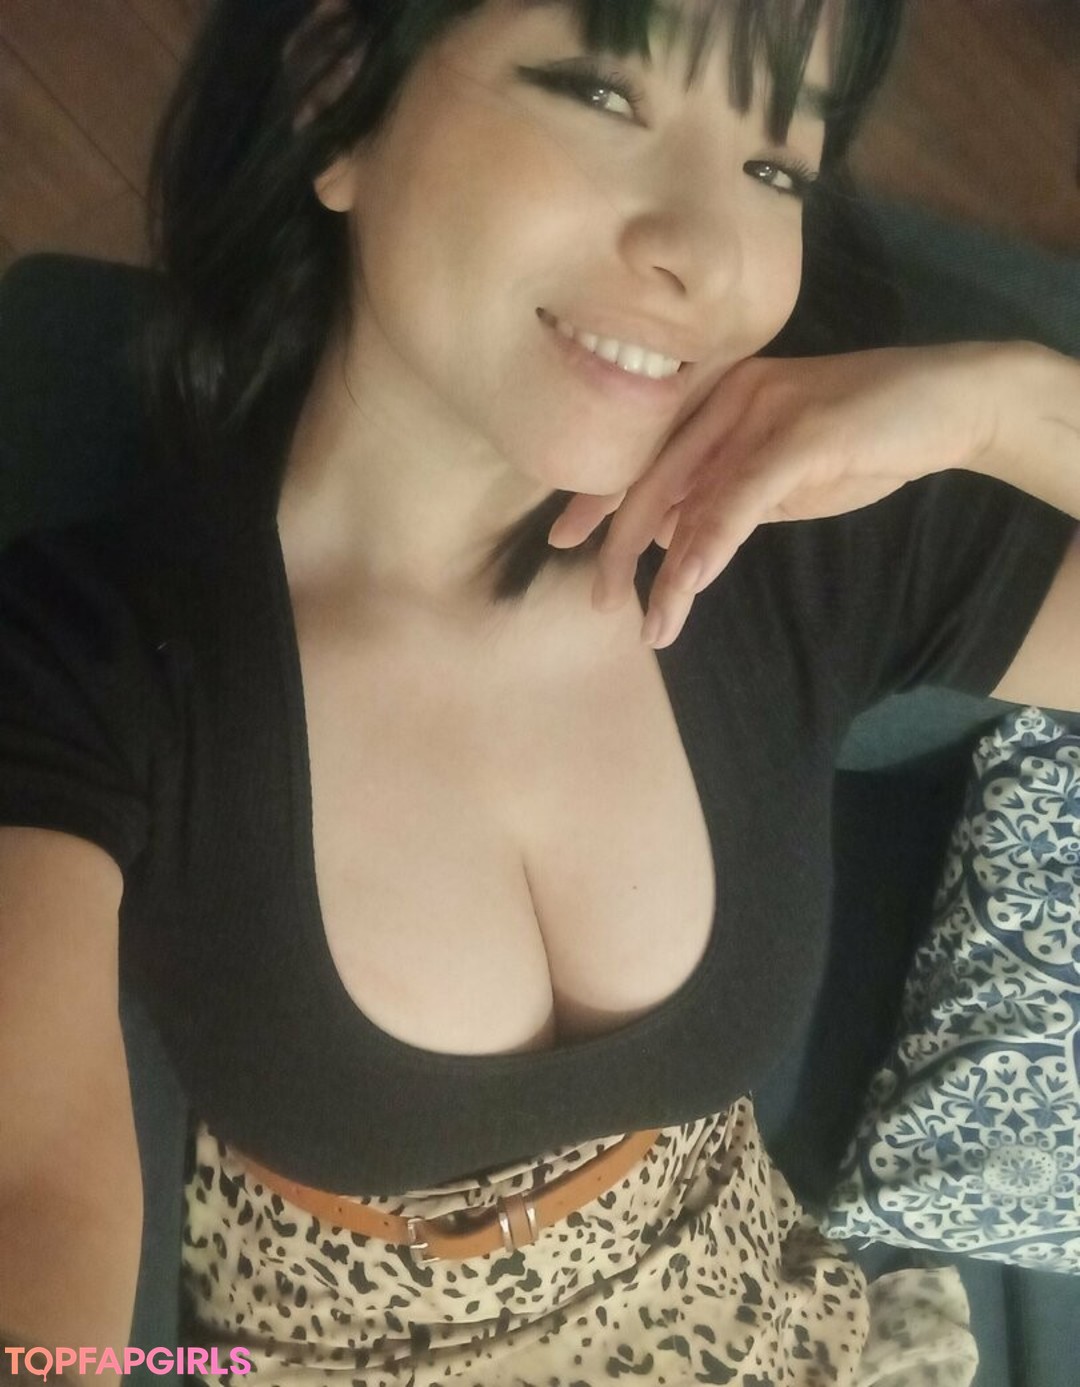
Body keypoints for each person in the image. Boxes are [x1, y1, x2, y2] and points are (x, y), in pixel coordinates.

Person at [1, 0, 1078, 1383]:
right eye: (604, 96)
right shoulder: (91, 662)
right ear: (338, 93)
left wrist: (1004, 407)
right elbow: (35, 1203)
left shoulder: (790, 538)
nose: (704, 252)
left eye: (775, 167)